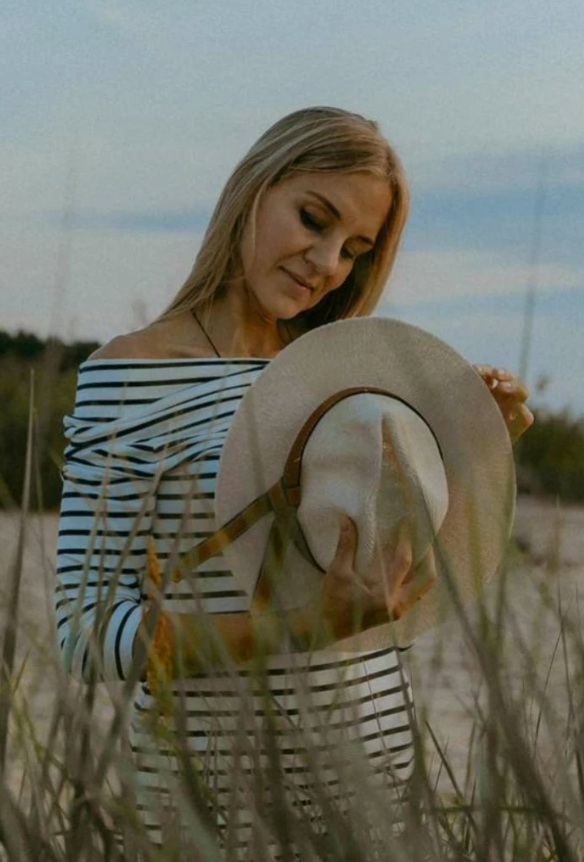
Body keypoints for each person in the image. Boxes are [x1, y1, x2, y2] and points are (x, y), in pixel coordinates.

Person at [54, 106, 533, 854]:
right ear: (253, 189)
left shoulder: (346, 378)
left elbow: (404, 583)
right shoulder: (131, 376)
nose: (327, 263)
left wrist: (470, 449)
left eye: (354, 249)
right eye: (313, 219)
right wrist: (299, 629)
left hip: (372, 776)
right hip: (206, 794)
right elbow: (85, 635)